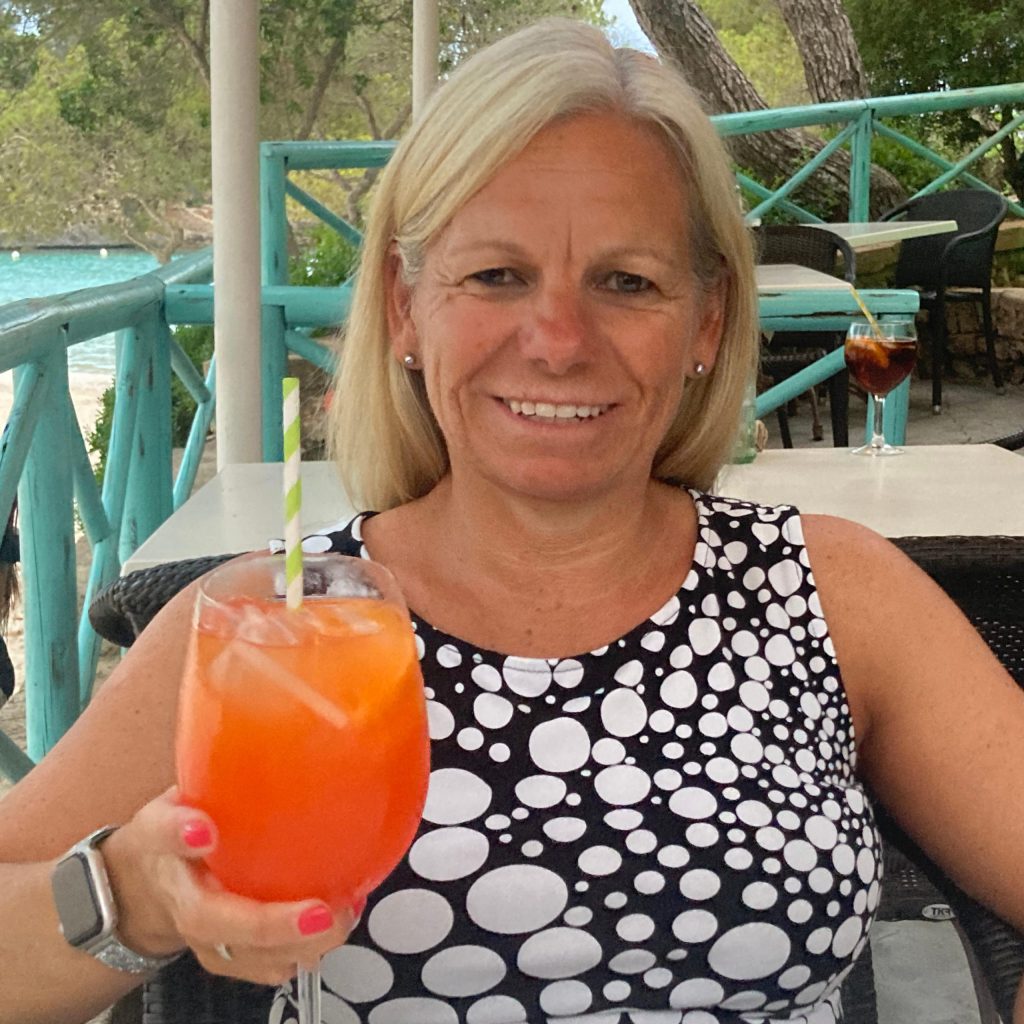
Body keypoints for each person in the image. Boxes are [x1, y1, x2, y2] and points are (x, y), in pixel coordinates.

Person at [1, 16, 1023, 1024]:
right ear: (405, 308)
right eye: (496, 275)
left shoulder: (830, 594)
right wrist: (130, 896)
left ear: (705, 322)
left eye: (626, 281)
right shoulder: (273, 629)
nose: (559, 340)